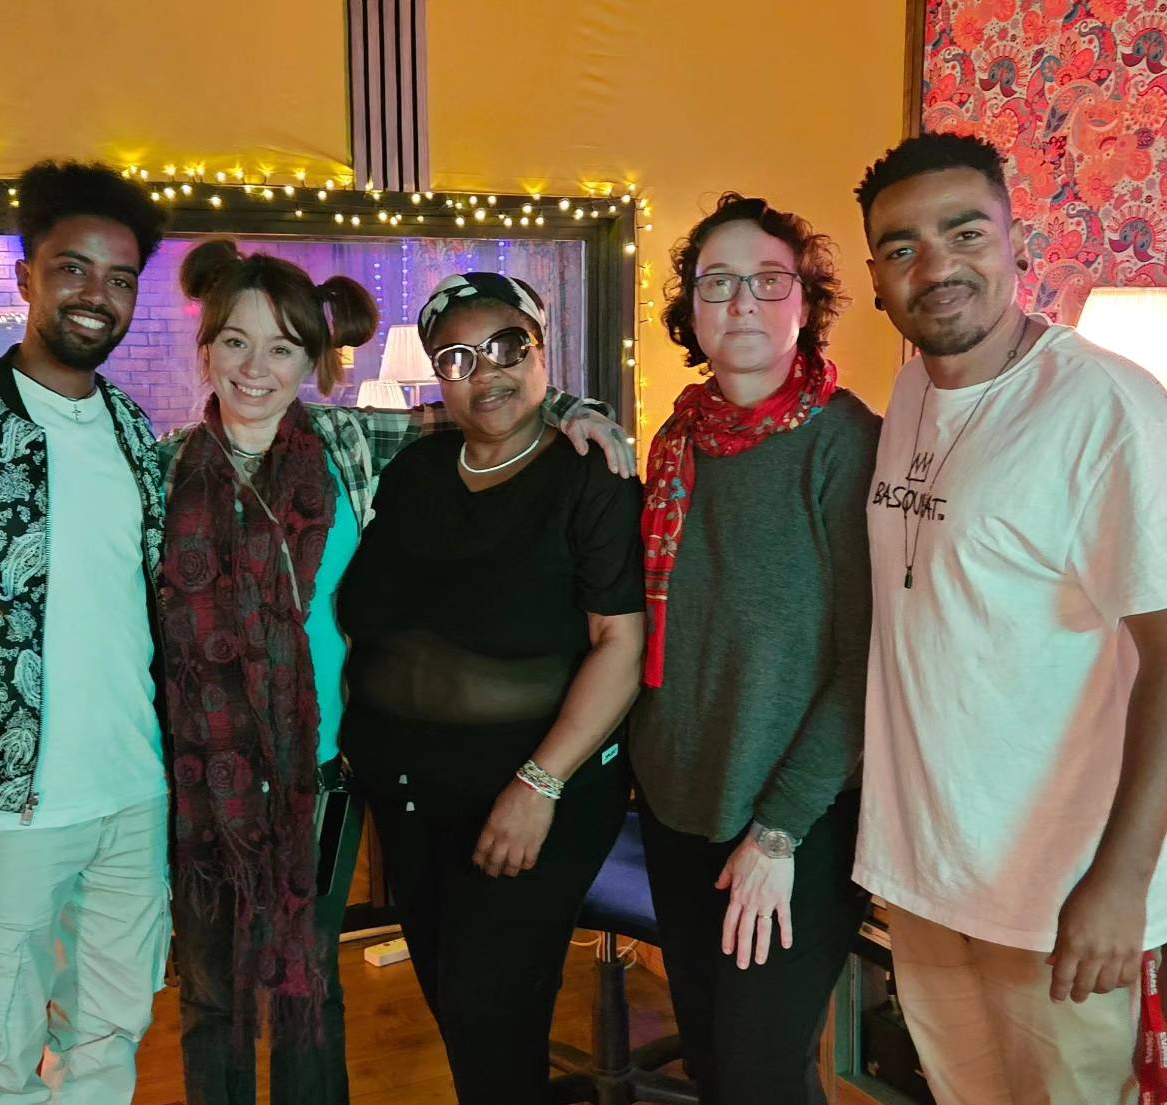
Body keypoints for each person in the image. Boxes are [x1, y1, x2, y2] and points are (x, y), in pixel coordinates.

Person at [160, 242, 633, 1105]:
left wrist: (578, 406)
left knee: (315, 983)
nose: (257, 367)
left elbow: (503, 406)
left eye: (281, 346)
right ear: (206, 350)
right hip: (211, 774)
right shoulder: (160, 468)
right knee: (214, 992)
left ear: (313, 359)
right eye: (235, 341)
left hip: (325, 771)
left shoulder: (348, 443)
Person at [853, 132, 1167, 1105]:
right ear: (876, 279)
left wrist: (1120, 882)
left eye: (965, 232)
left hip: (1060, 892)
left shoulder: (1106, 409)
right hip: (931, 872)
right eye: (902, 247)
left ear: (1015, 240)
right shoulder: (912, 387)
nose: (936, 267)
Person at [334, 272, 644, 1104]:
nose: (487, 372)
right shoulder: (414, 469)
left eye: (508, 345)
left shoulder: (590, 473)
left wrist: (538, 784)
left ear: (543, 349)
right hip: (410, 794)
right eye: (458, 358)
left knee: (486, 1011)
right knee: (459, 1005)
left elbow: (620, 644)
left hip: (534, 791)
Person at [0, 161, 172, 1104]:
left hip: (133, 789)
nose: (97, 294)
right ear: (27, 277)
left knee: (108, 1031)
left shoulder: (136, 431)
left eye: (120, 277)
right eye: (73, 268)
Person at [630, 194, 878, 1104]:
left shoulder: (844, 441)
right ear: (690, 310)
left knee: (760, 1076)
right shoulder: (674, 442)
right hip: (677, 805)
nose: (741, 301)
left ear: (804, 304)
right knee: (712, 1062)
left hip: (794, 820)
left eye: (769, 281)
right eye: (718, 282)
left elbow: (867, 662)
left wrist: (778, 829)